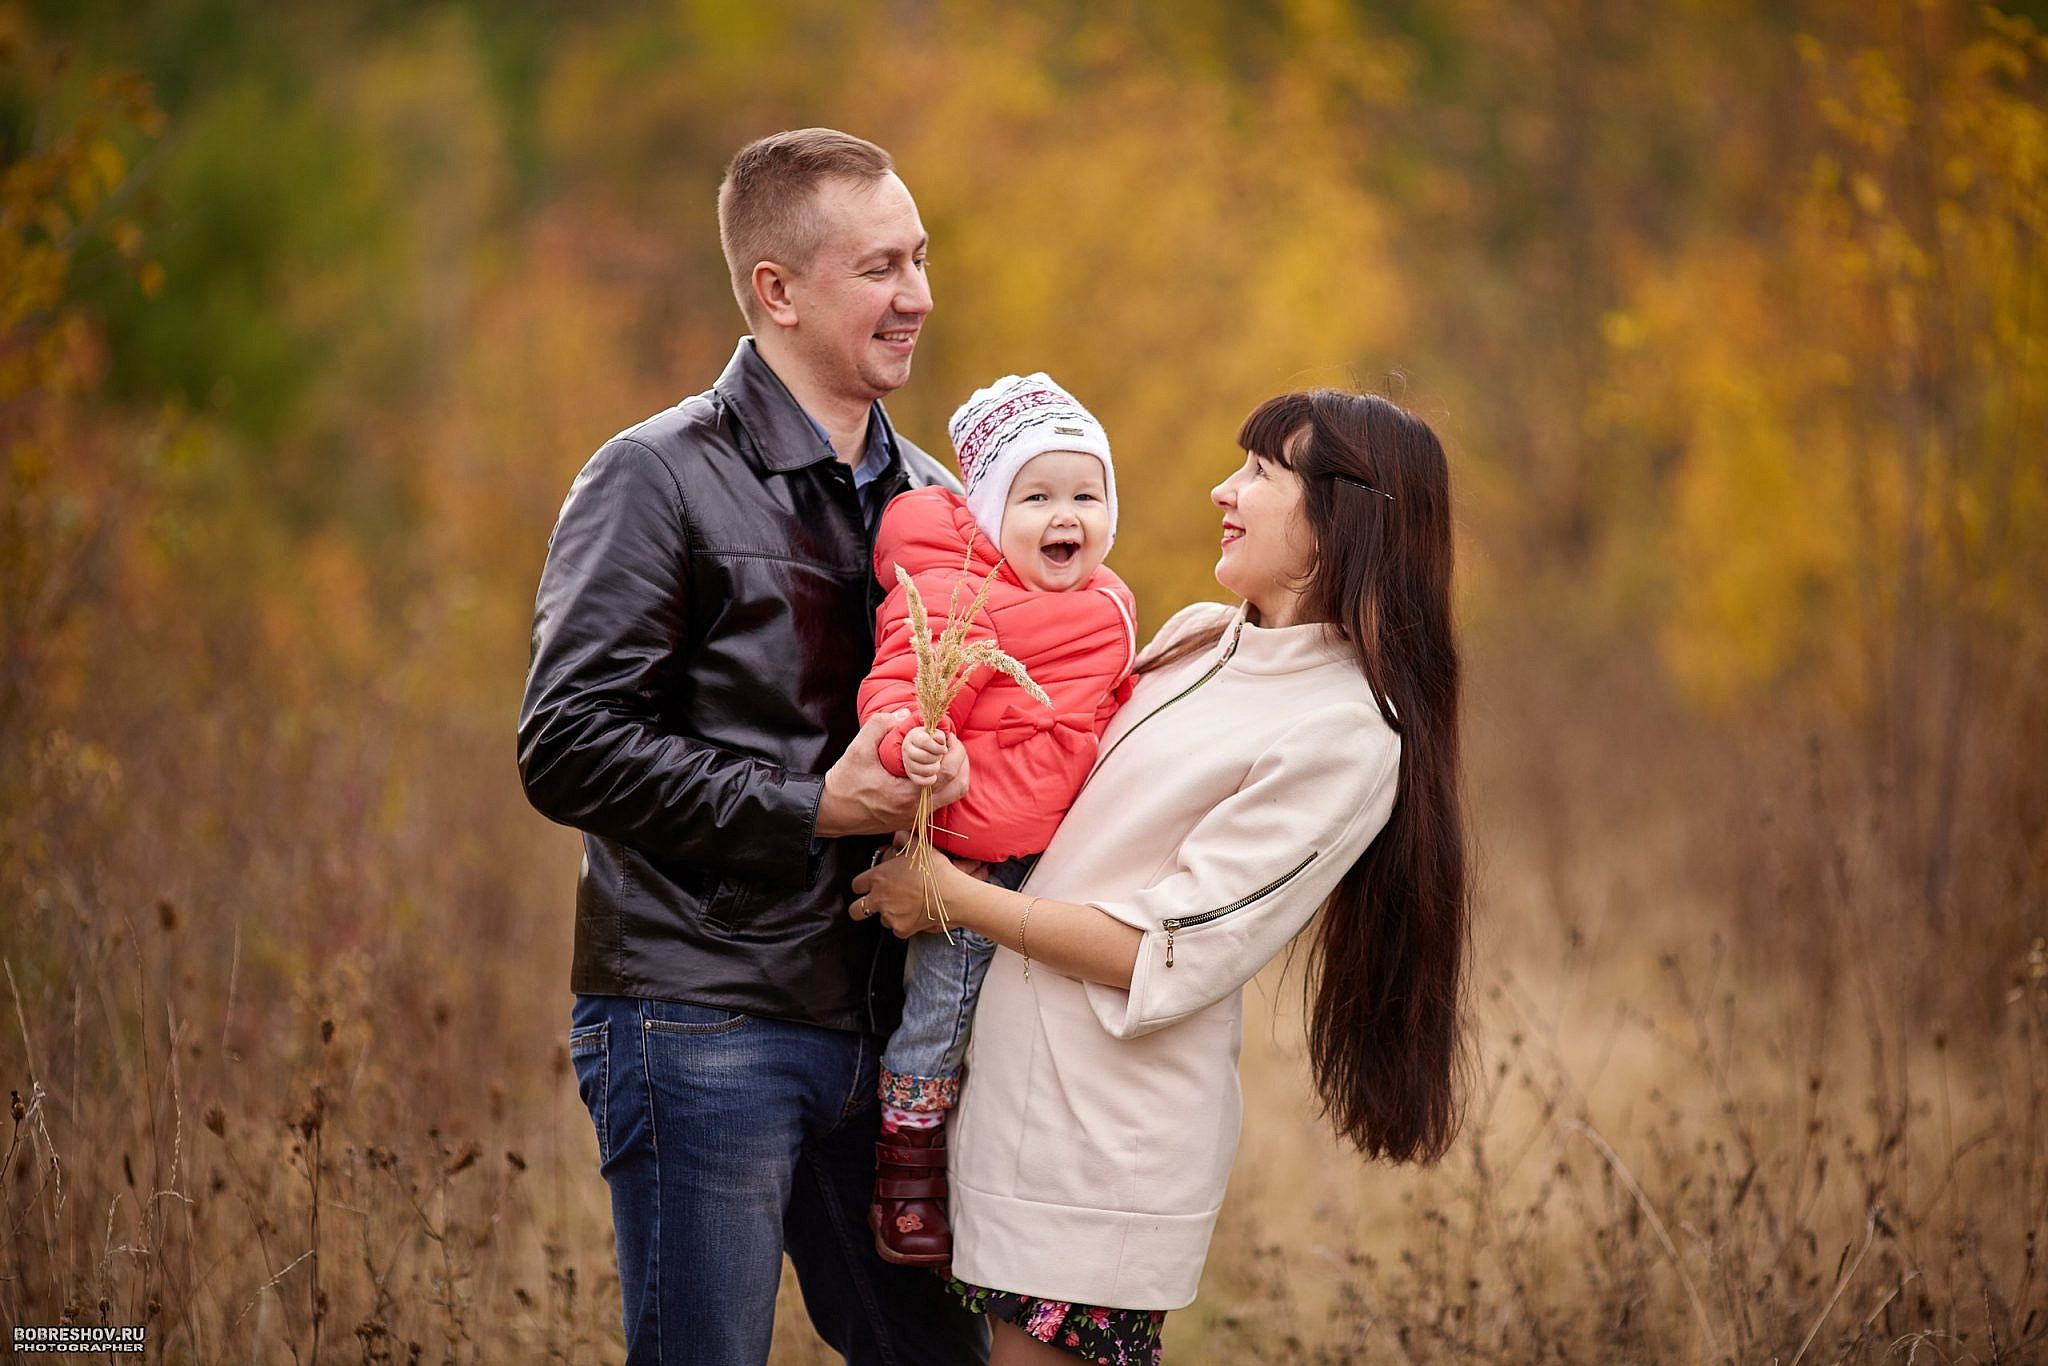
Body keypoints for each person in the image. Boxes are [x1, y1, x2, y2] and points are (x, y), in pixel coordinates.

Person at [852, 388, 1471, 1364]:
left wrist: (949, 897)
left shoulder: (1343, 733)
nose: (1225, 490)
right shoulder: (1192, 637)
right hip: (1004, 1117)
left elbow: (1163, 950)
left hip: (1096, 1158)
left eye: (1261, 473)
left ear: (1336, 518)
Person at [517, 128, 989, 1365]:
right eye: (880, 267)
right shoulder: (652, 478)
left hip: (891, 1033)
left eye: (921, 260)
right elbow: (564, 744)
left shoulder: (937, 500)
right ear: (775, 291)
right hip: (698, 1014)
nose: (918, 297)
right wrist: (807, 806)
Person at [853, 372, 1138, 1265]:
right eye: (1037, 496)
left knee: (1019, 1043)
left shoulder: (1111, 607)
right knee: (941, 1011)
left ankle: (980, 1168)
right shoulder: (954, 599)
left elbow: (1118, 712)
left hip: (1058, 870)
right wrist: (920, 755)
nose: (1067, 515)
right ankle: (905, 1161)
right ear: (986, 513)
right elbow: (896, 692)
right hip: (966, 859)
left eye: (1086, 496)